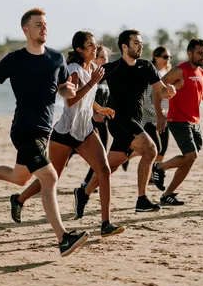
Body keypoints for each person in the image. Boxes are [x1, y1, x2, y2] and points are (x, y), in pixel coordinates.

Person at [0, 8, 89, 257]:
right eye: (38, 24)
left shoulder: (56, 58)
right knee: (50, 178)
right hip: (23, 129)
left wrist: (69, 91)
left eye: (45, 24)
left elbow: (63, 88)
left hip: (44, 130)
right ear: (26, 30)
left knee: (20, 178)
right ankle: (63, 238)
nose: (43, 28)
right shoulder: (15, 59)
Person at [9, 32, 126, 237]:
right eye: (89, 45)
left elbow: (86, 99)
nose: (94, 47)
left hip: (85, 131)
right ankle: (19, 199)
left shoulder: (92, 69)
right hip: (64, 133)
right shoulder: (73, 70)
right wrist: (93, 83)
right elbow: (71, 101)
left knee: (104, 170)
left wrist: (99, 109)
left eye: (94, 44)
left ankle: (105, 224)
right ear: (80, 50)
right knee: (52, 177)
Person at [74, 29, 177, 216]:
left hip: (135, 120)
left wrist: (168, 92)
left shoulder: (146, 67)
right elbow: (86, 89)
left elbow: (160, 91)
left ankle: (83, 192)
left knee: (111, 166)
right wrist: (95, 110)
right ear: (124, 46)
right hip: (119, 120)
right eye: (136, 43)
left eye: (141, 43)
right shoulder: (111, 68)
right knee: (151, 149)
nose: (141, 46)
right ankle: (142, 199)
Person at [151, 38, 203, 206]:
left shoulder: (202, 74)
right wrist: (159, 115)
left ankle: (167, 195)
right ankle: (159, 167)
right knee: (191, 155)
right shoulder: (179, 71)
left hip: (194, 122)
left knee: (190, 159)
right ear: (190, 53)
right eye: (199, 53)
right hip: (178, 120)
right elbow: (157, 89)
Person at [80, 45, 112, 188]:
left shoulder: (107, 76)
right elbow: (82, 96)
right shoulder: (90, 75)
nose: (105, 60)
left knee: (101, 153)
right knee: (69, 152)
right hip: (87, 120)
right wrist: (94, 113)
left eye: (106, 57)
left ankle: (88, 181)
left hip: (102, 122)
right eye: (102, 57)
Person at [141, 46, 173, 187]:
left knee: (163, 148)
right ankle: (148, 174)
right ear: (156, 57)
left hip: (165, 117)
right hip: (148, 119)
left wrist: (168, 113)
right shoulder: (151, 74)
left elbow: (168, 98)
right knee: (156, 147)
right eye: (165, 57)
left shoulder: (167, 73)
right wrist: (158, 113)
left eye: (169, 57)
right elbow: (146, 99)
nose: (168, 60)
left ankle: (154, 174)